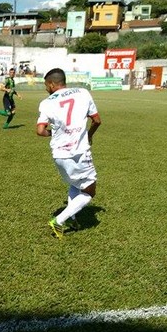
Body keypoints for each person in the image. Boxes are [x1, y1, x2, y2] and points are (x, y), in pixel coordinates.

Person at [36, 68, 102, 239]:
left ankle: (72, 218)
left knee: (75, 184)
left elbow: (40, 130)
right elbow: (97, 120)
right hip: (78, 152)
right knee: (89, 191)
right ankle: (59, 220)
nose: (46, 89)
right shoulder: (83, 92)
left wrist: (55, 133)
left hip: (58, 155)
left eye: (46, 85)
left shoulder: (46, 102)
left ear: (51, 84)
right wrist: (89, 135)